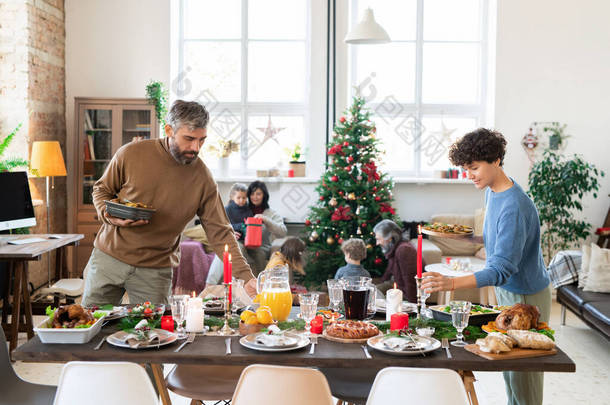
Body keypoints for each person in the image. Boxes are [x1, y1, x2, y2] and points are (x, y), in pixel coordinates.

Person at [421, 128, 552, 405]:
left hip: (526, 295)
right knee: (509, 369)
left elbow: (502, 267)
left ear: (495, 160)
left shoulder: (515, 205)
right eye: (466, 168)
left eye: (474, 167)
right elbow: (500, 241)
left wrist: (451, 283)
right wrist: (464, 236)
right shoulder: (494, 191)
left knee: (524, 377)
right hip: (509, 291)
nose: (469, 175)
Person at [82, 100, 256, 307]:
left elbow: (220, 231)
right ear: (169, 130)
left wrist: (246, 277)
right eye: (189, 139)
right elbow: (102, 190)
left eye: (202, 140)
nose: (195, 147)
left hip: (155, 271)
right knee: (88, 324)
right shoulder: (130, 154)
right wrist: (108, 213)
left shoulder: (203, 178)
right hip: (108, 259)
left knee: (152, 335)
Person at [238, 180, 287, 275]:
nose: (254, 197)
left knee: (258, 253)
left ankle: (260, 283)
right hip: (243, 245)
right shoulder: (242, 210)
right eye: (252, 194)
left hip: (261, 248)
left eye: (258, 194)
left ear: (264, 195)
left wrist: (266, 220)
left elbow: (283, 232)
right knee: (236, 247)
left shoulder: (271, 213)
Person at [373, 219, 423, 303]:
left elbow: (410, 280)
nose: (377, 243)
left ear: (389, 238)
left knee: (374, 294)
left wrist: (413, 305)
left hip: (406, 292)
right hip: (397, 284)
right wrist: (378, 283)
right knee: (373, 290)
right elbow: (388, 272)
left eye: (378, 239)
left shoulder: (404, 250)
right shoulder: (395, 247)